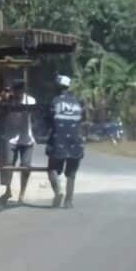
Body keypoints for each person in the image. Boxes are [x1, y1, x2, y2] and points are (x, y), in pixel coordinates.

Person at [46, 75, 84, 209]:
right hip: (75, 141)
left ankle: (58, 191)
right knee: (71, 173)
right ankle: (69, 201)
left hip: (58, 140)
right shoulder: (77, 102)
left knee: (52, 168)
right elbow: (80, 120)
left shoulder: (55, 101)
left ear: (57, 87)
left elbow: (48, 120)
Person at [0, 80, 36, 205]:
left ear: (23, 90)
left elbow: (32, 113)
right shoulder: (8, 100)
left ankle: (22, 194)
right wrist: (4, 100)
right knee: (9, 165)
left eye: (20, 89)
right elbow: (0, 113)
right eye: (16, 89)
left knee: (25, 167)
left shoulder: (30, 100)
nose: (18, 92)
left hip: (26, 138)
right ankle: (8, 190)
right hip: (11, 137)